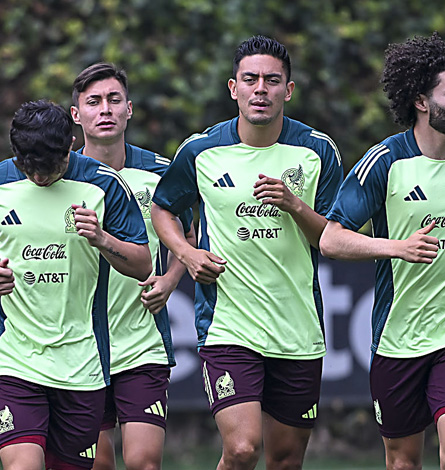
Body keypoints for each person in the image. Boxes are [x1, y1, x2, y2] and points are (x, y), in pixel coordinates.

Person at [150, 35, 343, 470]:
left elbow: (331, 238)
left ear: (288, 90)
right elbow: (164, 208)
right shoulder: (201, 151)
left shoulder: (317, 151)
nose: (261, 89)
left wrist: (295, 205)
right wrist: (187, 251)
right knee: (241, 451)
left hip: (298, 330)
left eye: (272, 81)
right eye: (250, 79)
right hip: (228, 327)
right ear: (233, 88)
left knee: (286, 459)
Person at [320, 33, 445, 470]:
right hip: (396, 337)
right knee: (403, 463)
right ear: (422, 101)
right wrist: (396, 248)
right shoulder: (385, 161)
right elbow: (330, 238)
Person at [0, 100, 151, 470]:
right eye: (28, 167)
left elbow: (143, 264)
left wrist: (102, 239)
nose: (38, 177)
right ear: (16, 154)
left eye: (49, 168)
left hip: (82, 365)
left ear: (70, 144)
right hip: (15, 359)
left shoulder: (103, 184)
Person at [70, 62, 195, 470]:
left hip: (142, 343)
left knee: (144, 463)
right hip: (79, 346)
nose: (104, 109)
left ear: (129, 110)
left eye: (113, 100)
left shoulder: (160, 173)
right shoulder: (58, 179)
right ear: (77, 115)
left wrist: (172, 278)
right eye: (93, 102)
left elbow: (188, 237)